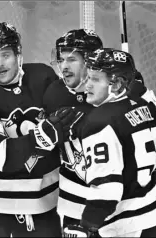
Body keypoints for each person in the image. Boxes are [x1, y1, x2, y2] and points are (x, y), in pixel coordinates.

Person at [63, 48, 156, 237]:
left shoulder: (99, 122)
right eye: (88, 77)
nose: (87, 85)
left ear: (117, 84)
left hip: (131, 226)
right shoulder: (147, 107)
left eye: (95, 79)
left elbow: (108, 190)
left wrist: (86, 227)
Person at [0, 22, 82, 237]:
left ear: (18, 54)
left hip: (43, 203)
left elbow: (75, 108)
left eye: (5, 54)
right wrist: (41, 137)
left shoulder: (42, 77)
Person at [43, 28, 103, 231]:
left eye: (71, 60)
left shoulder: (115, 93)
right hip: (74, 205)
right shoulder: (54, 93)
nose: (64, 67)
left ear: (91, 62)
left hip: (113, 205)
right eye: (61, 60)